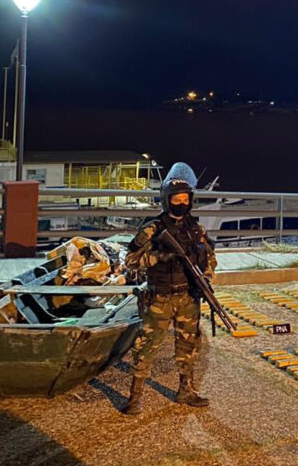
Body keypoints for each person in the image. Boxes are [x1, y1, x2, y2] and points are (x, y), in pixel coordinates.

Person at [123, 162, 217, 415]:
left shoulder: (195, 228)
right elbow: (130, 261)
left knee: (188, 345)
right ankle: (135, 397)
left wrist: (206, 277)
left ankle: (186, 390)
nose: (181, 203)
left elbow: (209, 257)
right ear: (167, 200)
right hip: (160, 298)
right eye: (177, 199)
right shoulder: (153, 229)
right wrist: (158, 257)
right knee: (146, 347)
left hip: (187, 296)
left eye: (186, 199)